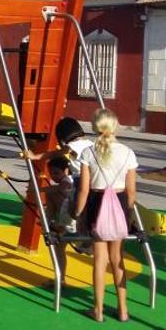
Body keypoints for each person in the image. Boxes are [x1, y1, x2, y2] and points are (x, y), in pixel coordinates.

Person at [72, 108, 137, 323]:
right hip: (118, 203)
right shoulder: (128, 153)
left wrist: (77, 213)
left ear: (94, 126)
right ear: (115, 125)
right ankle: (123, 309)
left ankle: (98, 310)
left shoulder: (88, 153)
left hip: (97, 203)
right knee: (118, 259)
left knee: (100, 260)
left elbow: (83, 189)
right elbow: (131, 191)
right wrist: (128, 214)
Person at [42, 156, 76, 288]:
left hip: (73, 222)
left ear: (66, 170)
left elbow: (63, 187)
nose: (53, 176)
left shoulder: (69, 181)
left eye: (57, 173)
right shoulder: (57, 188)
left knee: (59, 249)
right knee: (59, 249)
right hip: (65, 222)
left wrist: (41, 189)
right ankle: (60, 278)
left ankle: (61, 278)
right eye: (51, 173)